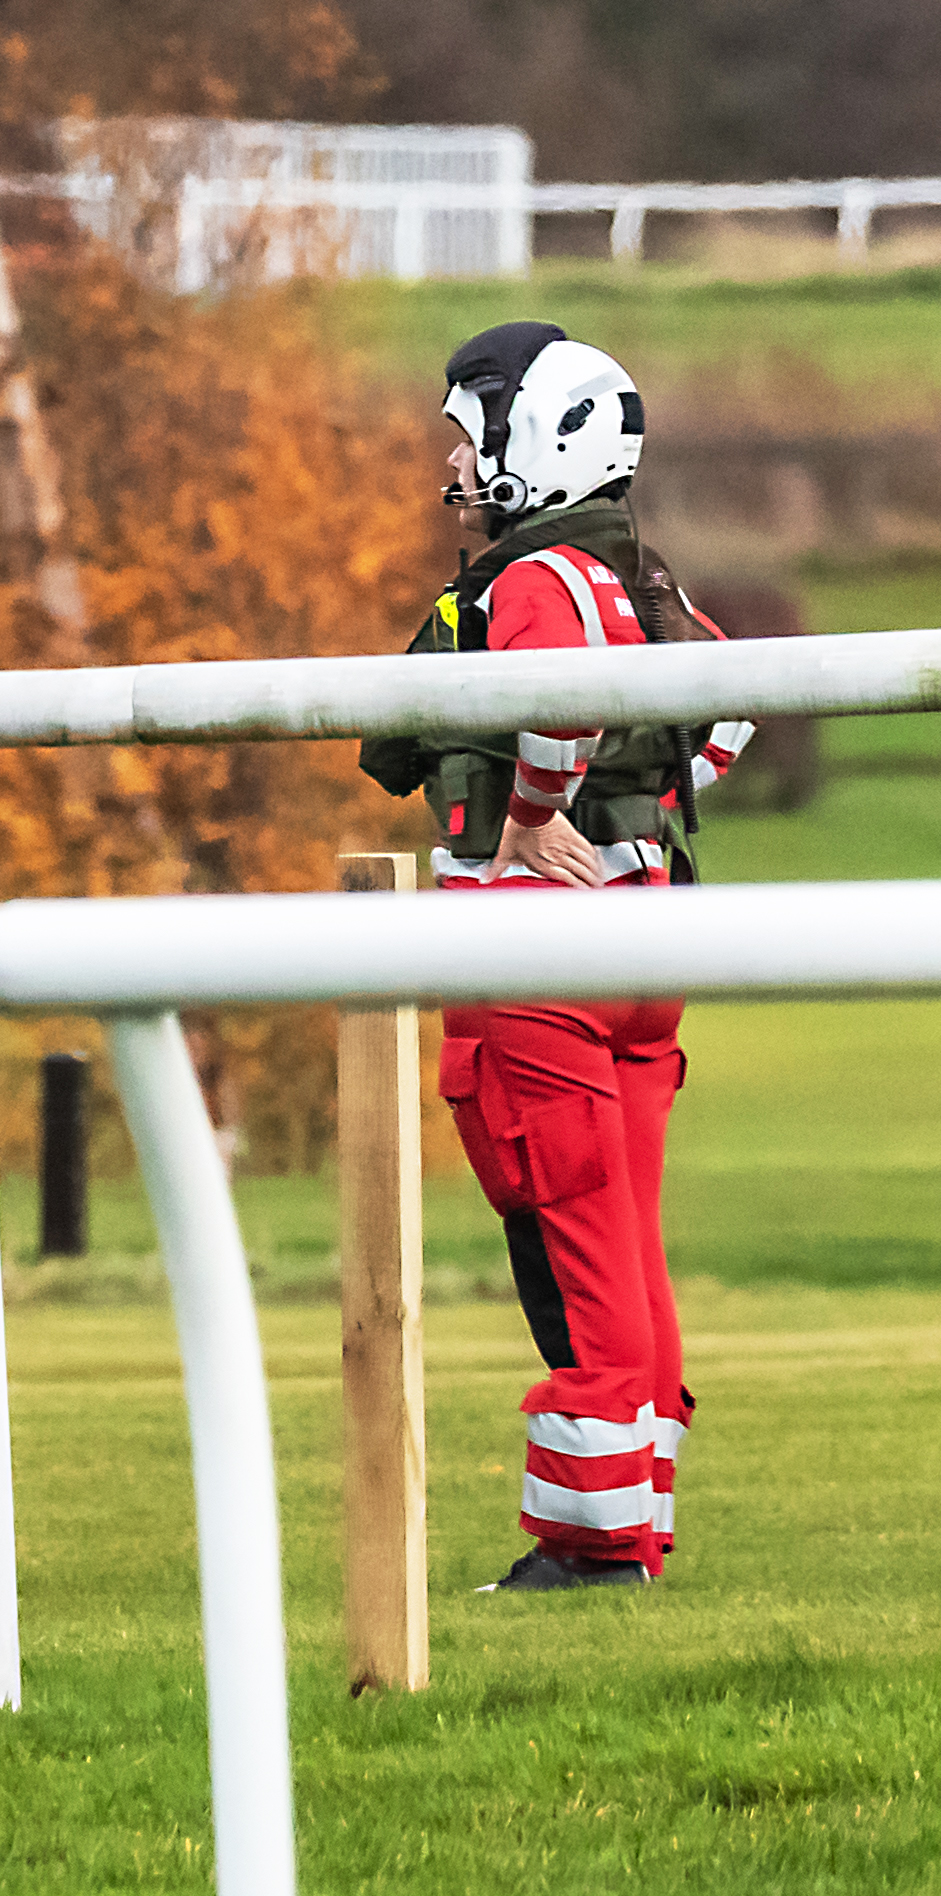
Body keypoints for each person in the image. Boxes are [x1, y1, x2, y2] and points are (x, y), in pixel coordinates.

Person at [357, 322, 757, 1593]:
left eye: (467, 437)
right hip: (641, 938)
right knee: (623, 1239)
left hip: (542, 958)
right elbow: (737, 695)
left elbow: (558, 699)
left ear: (531, 441)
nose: (455, 467)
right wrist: (647, 805)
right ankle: (631, 1523)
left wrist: (537, 815)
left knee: (576, 1242)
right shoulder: (639, 573)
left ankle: (588, 1548)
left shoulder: (533, 583)